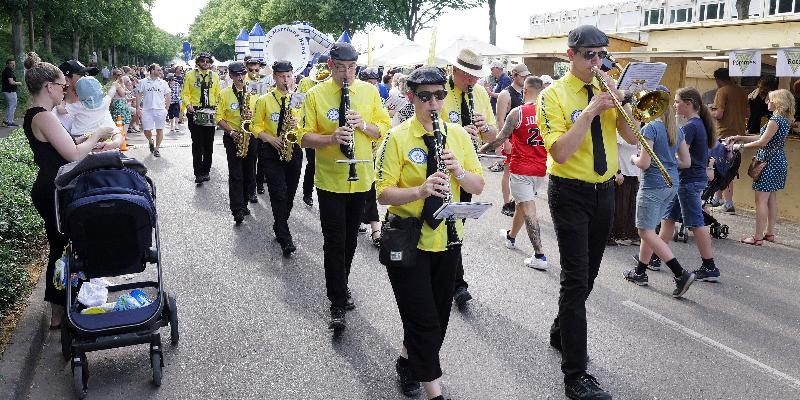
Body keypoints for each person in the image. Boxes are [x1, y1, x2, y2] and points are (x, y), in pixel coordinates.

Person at [537, 25, 640, 399]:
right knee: (575, 279)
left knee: (588, 277)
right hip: (570, 192)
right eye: (589, 55)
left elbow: (631, 138)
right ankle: (575, 376)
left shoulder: (608, 90)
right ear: (570, 55)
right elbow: (560, 152)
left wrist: (623, 103)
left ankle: (560, 329)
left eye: (602, 55)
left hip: (604, 191)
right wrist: (591, 111)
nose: (597, 62)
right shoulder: (553, 96)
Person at [376, 66, 484, 400]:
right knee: (423, 320)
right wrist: (420, 191)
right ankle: (435, 391)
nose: (433, 103)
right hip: (409, 240)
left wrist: (459, 170)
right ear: (411, 97)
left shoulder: (459, 136)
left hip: (447, 240)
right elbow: (382, 193)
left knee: (434, 320)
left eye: (439, 95)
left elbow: (477, 185)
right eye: (425, 97)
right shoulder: (398, 137)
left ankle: (407, 363)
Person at [298, 42, 390, 332]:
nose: (347, 74)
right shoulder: (315, 94)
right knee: (334, 241)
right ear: (330, 66)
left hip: (361, 177)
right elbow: (302, 137)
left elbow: (382, 131)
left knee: (351, 240)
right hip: (330, 180)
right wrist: (329, 138)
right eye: (341, 68)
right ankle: (336, 300)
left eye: (352, 68)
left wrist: (362, 124)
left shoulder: (369, 92)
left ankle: (342, 284)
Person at [21, 52, 113, 328]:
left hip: (51, 186)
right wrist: (96, 135)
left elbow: (67, 144)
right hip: (54, 188)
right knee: (62, 247)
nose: (66, 90)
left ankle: (64, 305)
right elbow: (73, 154)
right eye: (63, 85)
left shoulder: (38, 115)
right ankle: (59, 310)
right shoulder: (44, 117)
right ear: (49, 87)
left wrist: (88, 142)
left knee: (63, 245)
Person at [623, 89, 696, 298]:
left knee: (645, 231)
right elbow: (686, 162)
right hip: (671, 184)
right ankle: (640, 272)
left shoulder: (651, 128)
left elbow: (644, 163)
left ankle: (680, 273)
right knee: (650, 229)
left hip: (652, 185)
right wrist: (668, 162)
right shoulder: (676, 129)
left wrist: (633, 159)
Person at [441, 47, 498, 307]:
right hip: (443, 168)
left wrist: (484, 128)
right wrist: (457, 132)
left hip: (467, 171)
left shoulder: (480, 94)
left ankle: (452, 278)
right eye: (467, 76)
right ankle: (456, 283)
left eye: (475, 77)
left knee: (457, 225)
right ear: (454, 71)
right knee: (446, 224)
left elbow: (492, 138)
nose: (471, 82)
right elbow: (427, 127)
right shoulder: (439, 91)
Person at [483, 76, 549, 270]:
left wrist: (480, 150)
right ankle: (511, 237)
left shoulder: (518, 112)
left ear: (524, 91)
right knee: (522, 204)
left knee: (528, 207)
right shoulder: (548, 113)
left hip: (521, 168)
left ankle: (539, 255)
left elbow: (500, 139)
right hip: (540, 170)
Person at [659, 87, 720, 282]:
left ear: (688, 104)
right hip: (688, 180)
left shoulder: (690, 127)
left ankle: (709, 266)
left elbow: (681, 156)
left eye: (677, 102)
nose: (674, 105)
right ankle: (654, 257)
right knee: (668, 218)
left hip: (689, 181)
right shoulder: (698, 124)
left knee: (695, 224)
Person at [728, 89, 794, 245]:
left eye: (770, 100)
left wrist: (739, 146)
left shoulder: (774, 120)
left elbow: (762, 142)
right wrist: (740, 137)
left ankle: (757, 237)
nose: (767, 102)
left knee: (761, 201)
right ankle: (769, 233)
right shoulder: (784, 120)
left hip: (768, 163)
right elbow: (763, 137)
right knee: (771, 199)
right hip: (778, 161)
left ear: (777, 102)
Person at [252, 60, 303, 255]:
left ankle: (279, 224)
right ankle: (284, 235)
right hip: (271, 150)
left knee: (289, 193)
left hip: (293, 148)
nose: (285, 80)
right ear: (274, 77)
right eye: (281, 76)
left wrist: (297, 123)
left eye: (288, 76)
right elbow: (255, 126)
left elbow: (306, 125)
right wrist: (270, 139)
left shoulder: (299, 99)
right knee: (278, 192)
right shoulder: (264, 100)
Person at [215, 61, 258, 225]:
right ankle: (237, 209)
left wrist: (252, 115)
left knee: (249, 172)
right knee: (235, 174)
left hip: (250, 136)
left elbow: (262, 112)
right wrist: (232, 133)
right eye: (236, 75)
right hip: (233, 136)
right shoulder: (224, 93)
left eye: (242, 74)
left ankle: (245, 202)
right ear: (231, 76)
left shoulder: (254, 90)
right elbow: (218, 117)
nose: (240, 77)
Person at [494, 64, 531, 216]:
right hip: (511, 139)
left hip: (523, 140)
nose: (525, 78)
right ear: (514, 75)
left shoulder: (525, 93)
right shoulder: (505, 94)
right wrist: (505, 141)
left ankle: (517, 201)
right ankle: (506, 203)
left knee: (522, 173)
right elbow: (500, 119)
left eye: (526, 76)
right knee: (508, 172)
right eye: (523, 76)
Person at [710, 67, 747, 213]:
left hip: (725, 135)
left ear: (718, 80)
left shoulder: (722, 91)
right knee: (723, 168)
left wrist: (707, 110)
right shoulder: (741, 91)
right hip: (739, 135)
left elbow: (718, 114)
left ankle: (728, 203)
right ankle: (717, 199)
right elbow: (746, 113)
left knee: (725, 169)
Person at [181, 52, 221, 184]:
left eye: (208, 61)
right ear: (198, 62)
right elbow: (185, 94)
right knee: (197, 144)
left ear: (211, 63)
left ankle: (206, 171)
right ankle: (198, 173)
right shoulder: (190, 75)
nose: (205, 63)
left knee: (209, 144)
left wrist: (218, 109)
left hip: (210, 112)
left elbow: (218, 94)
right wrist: (188, 104)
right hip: (195, 112)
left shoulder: (214, 76)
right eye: (203, 61)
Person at [298, 54, 330, 207]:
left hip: (326, 130)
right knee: (312, 163)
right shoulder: (305, 81)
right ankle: (307, 193)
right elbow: (296, 103)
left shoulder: (332, 83)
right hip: (311, 129)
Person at [67, 76, 121, 143]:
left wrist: (67, 96)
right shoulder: (104, 102)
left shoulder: (77, 106)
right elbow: (110, 93)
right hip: (101, 136)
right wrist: (114, 86)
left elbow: (61, 109)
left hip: (80, 136)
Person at [607, 134, 640, 246]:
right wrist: (617, 171)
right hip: (623, 172)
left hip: (634, 172)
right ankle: (619, 234)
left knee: (632, 205)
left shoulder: (640, 128)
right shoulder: (620, 130)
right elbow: (614, 150)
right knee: (621, 205)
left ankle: (630, 233)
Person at [135, 63, 171, 157]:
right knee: (146, 130)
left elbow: (168, 96)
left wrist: (166, 109)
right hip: (147, 110)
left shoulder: (163, 82)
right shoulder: (143, 82)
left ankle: (157, 149)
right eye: (158, 70)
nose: (160, 72)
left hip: (160, 110)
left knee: (160, 129)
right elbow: (138, 94)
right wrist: (138, 107)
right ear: (152, 70)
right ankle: (150, 140)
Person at [110, 68, 134, 134]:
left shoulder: (121, 83)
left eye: (121, 74)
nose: (120, 76)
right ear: (114, 76)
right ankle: (120, 137)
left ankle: (123, 137)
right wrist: (127, 92)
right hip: (118, 104)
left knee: (125, 121)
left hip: (122, 103)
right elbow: (122, 94)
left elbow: (125, 93)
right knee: (120, 121)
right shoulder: (116, 83)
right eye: (118, 75)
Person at [3, 58, 22, 126]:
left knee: (9, 106)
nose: (13, 65)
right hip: (10, 91)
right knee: (12, 106)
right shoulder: (8, 72)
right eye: (11, 64)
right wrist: (18, 83)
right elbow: (11, 82)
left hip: (7, 91)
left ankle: (6, 120)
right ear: (7, 64)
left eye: (14, 64)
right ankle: (10, 122)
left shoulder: (7, 71)